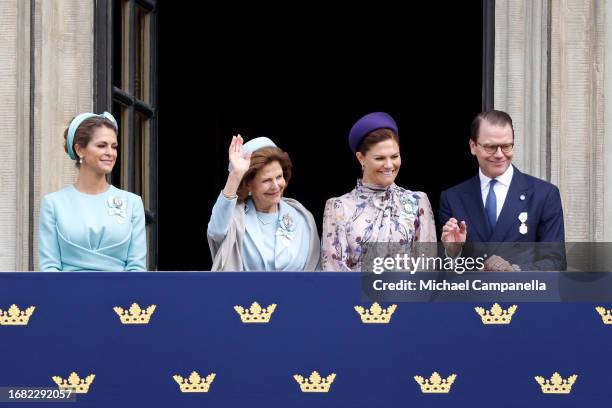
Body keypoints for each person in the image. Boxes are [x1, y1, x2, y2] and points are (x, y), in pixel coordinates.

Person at [439, 110, 565, 271]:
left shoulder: (544, 194)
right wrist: (453, 252)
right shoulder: (452, 198)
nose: (499, 154)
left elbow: (556, 262)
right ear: (473, 146)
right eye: (490, 147)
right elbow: (443, 271)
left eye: (506, 146)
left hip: (523, 294)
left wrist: (514, 271)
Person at [321, 112, 437, 271]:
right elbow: (334, 273)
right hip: (353, 296)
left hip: (408, 295)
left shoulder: (417, 201)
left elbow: (426, 267)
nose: (389, 165)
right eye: (380, 158)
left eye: (394, 156)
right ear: (361, 158)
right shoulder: (338, 207)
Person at [39, 112, 147, 271]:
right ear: (80, 150)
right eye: (102, 145)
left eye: (114, 146)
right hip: (67, 294)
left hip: (119, 294)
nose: (110, 153)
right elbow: (49, 268)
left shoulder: (132, 203)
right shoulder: (53, 204)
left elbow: (136, 269)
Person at [207, 135, 320, 271]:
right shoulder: (236, 217)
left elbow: (316, 272)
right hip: (245, 292)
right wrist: (236, 174)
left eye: (279, 177)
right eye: (266, 180)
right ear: (248, 184)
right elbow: (215, 232)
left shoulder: (302, 217)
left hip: (297, 292)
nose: (275, 186)